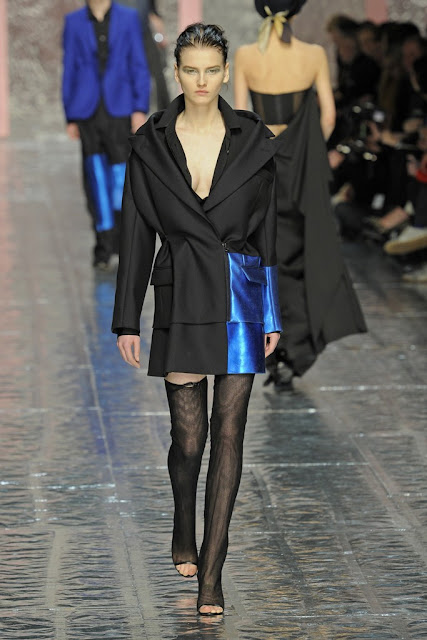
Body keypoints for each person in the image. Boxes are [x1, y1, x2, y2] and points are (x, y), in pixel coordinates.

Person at [112, 24, 282, 614]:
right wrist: (127, 319)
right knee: (189, 440)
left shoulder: (255, 140)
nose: (202, 81)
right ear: (177, 72)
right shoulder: (150, 144)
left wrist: (272, 311)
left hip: (239, 292)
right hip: (181, 288)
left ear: (226, 71)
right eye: (191, 70)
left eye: (212, 70)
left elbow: (268, 233)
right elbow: (136, 233)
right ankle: (183, 517)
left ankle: (213, 572)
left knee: (229, 434)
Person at [234, 0, 367, 388]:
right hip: (302, 171)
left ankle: (273, 347)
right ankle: (297, 350)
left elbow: (241, 119)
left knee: (266, 254)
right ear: (296, 11)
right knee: (303, 253)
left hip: (262, 166)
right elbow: (328, 117)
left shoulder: (246, 56)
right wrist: (304, 150)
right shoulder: (313, 55)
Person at [62, 0, 150, 270]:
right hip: (87, 111)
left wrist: (139, 107)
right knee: (95, 176)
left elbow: (138, 63)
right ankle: (103, 245)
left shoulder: (128, 18)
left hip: (120, 108)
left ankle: (121, 241)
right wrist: (70, 114)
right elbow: (69, 68)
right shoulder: (74, 22)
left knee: (121, 176)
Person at [118, 0, 171, 110]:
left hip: (144, 34)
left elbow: (153, 12)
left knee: (158, 76)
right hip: (120, 37)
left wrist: (161, 35)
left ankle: (165, 114)